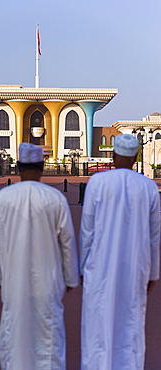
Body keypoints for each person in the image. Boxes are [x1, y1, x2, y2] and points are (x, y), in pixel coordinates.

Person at [0, 142, 79, 370]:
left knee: (14, 331)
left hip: (13, 279)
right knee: (48, 333)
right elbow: (67, 241)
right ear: (42, 166)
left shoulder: (3, 198)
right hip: (48, 279)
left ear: (18, 167)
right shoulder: (54, 198)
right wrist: (70, 278)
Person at [79, 134, 160, 370]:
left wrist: (83, 266)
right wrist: (152, 272)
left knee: (98, 321)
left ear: (113, 155)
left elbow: (87, 230)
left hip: (100, 265)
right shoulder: (148, 187)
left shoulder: (97, 182)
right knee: (131, 321)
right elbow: (154, 235)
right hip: (136, 266)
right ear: (135, 157)